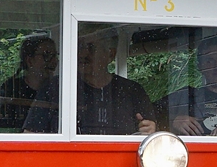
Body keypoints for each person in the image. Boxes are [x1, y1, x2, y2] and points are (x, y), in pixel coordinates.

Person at [26, 28, 155, 135]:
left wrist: (150, 130)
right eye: (80, 47)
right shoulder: (56, 88)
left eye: (91, 48)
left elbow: (156, 143)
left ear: (110, 54)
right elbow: (29, 136)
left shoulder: (132, 91)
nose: (83, 54)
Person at [0, 34, 57, 130]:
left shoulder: (58, 90)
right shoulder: (10, 90)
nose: (55, 61)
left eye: (55, 56)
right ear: (30, 61)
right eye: (47, 55)